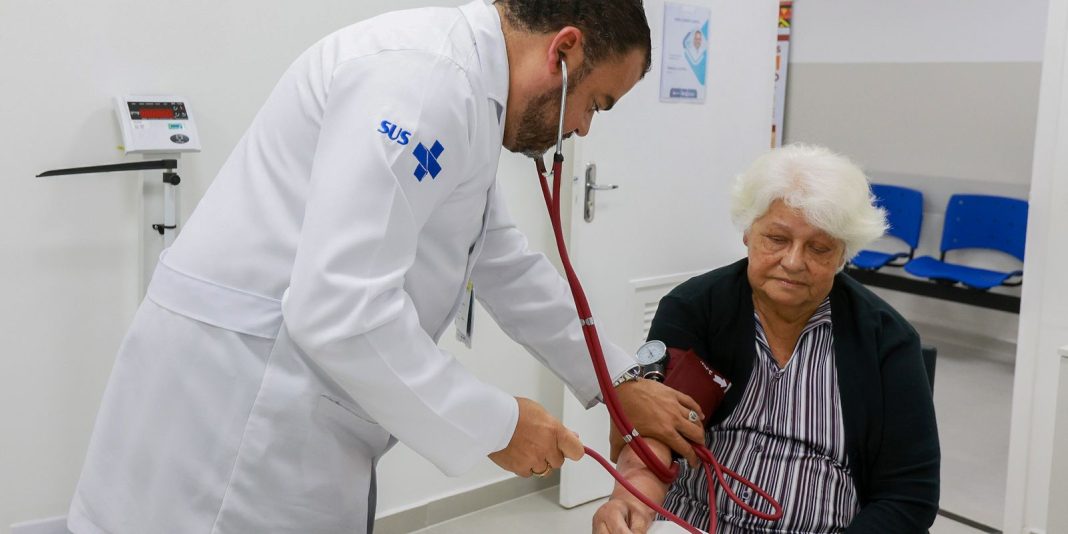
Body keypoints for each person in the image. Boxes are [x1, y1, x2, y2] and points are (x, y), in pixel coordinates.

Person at [68, 1, 707, 533]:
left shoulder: (469, 93)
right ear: (563, 52)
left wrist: (617, 381)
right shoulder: (426, 82)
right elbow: (340, 309)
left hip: (288, 403)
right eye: (596, 102)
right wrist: (498, 423)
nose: (584, 129)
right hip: (237, 417)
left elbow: (500, 259)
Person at [593, 144, 940, 533]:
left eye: (819, 248)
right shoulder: (695, 308)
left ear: (844, 254)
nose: (793, 262)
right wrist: (631, 502)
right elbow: (657, 430)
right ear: (748, 232)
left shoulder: (887, 342)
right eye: (777, 238)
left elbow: (909, 496)